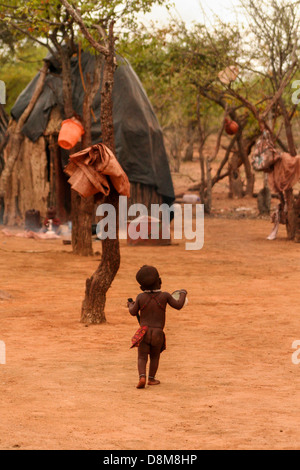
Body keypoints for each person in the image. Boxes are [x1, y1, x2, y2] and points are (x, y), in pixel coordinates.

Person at [128, 265, 187, 389]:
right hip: (158, 333)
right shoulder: (165, 296)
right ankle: (151, 378)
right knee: (155, 356)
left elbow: (133, 312)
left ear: (141, 287)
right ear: (160, 281)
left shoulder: (140, 297)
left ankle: (142, 377)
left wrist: (130, 304)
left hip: (144, 332)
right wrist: (182, 293)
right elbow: (179, 305)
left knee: (142, 356)